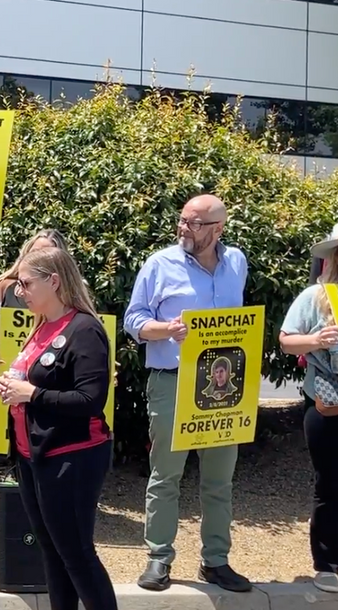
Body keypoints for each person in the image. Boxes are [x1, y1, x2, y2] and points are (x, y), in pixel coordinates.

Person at [123, 194, 250, 592]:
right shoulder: (160, 263)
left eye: (195, 223)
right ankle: (159, 558)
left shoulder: (237, 263)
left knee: (219, 480)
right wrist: (166, 330)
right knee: (165, 476)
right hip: (173, 381)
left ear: (218, 229)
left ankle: (216, 561)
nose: (184, 229)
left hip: (224, 385)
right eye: (182, 220)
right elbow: (133, 319)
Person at [0, 247, 117, 610]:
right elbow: (34, 383)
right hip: (34, 455)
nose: (20, 291)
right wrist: (14, 387)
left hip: (73, 455)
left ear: (54, 281)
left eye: (27, 283)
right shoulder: (43, 325)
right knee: (52, 550)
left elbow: (90, 401)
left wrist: (32, 393)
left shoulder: (85, 329)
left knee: (76, 553)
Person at [279, 223, 338, 593]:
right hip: (328, 403)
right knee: (330, 484)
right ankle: (329, 564)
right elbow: (286, 341)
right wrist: (317, 339)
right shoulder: (315, 296)